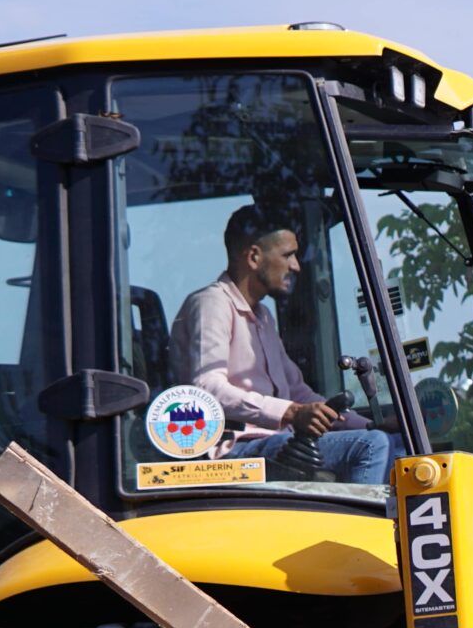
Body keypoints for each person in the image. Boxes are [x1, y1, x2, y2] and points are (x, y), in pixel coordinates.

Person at [169, 206, 398, 486]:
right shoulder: (212, 304)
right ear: (254, 257)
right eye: (288, 255)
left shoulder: (263, 317)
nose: (296, 266)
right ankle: (367, 529)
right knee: (370, 446)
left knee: (396, 444)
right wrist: (290, 413)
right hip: (233, 452)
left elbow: (298, 392)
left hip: (274, 441)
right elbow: (206, 388)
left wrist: (368, 423)